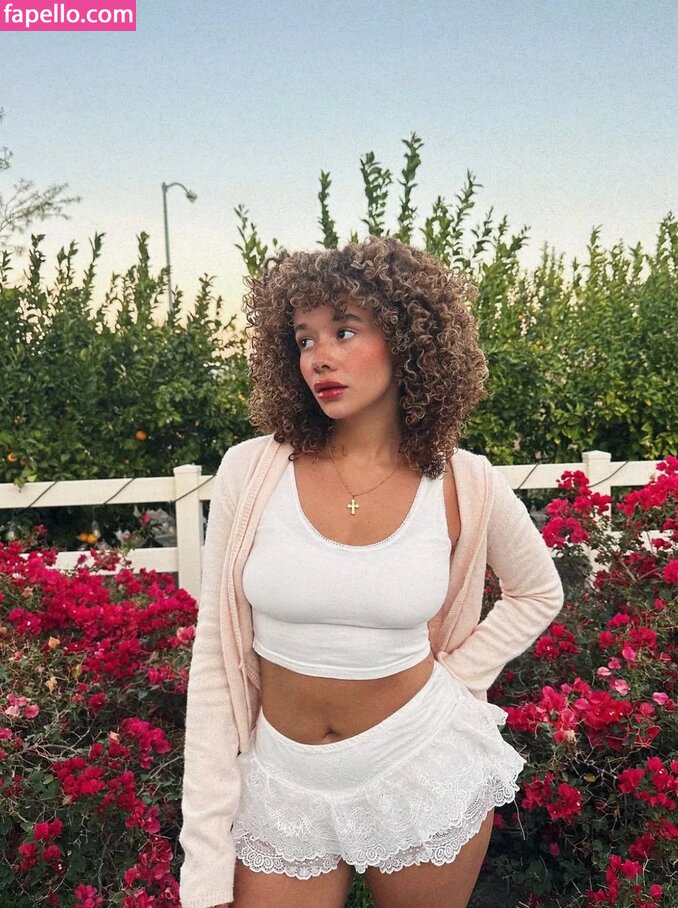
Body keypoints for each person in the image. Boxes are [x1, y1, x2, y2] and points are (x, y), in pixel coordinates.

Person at [178, 236, 564, 908]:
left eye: (345, 330)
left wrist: (457, 680)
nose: (319, 356)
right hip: (284, 779)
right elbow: (214, 657)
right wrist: (204, 859)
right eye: (304, 338)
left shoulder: (463, 481)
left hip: (421, 767)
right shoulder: (250, 470)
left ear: (408, 342)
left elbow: (537, 591)